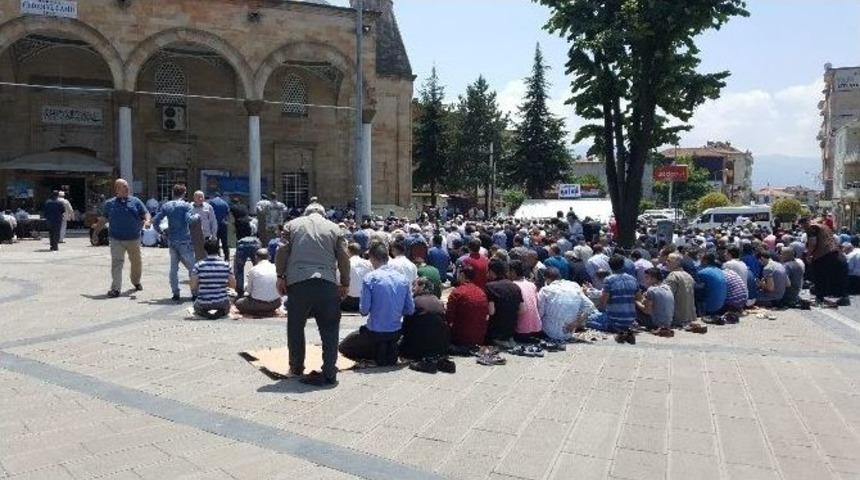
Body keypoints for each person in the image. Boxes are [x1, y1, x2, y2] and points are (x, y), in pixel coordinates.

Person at [275, 200, 350, 387]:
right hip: (327, 282)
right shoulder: (335, 229)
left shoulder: (291, 225)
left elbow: (282, 250)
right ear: (323, 214)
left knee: (295, 326)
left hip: (298, 283)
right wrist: (345, 283)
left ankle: (296, 367)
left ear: (306, 213)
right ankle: (329, 371)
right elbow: (344, 257)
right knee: (330, 328)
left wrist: (280, 275)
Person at [338, 242, 415, 365]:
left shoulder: (370, 278)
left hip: (375, 333)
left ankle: (377, 352)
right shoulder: (403, 279)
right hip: (395, 331)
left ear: (372, 258)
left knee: (343, 347)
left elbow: (364, 311)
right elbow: (410, 310)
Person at [103, 179, 150, 297]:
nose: (127, 188)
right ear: (117, 189)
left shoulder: (135, 201)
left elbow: (145, 213)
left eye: (127, 186)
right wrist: (94, 233)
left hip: (133, 238)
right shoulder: (109, 204)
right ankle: (115, 289)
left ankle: (136, 281)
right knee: (117, 263)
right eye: (124, 186)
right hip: (116, 239)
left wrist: (147, 220)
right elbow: (103, 219)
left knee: (136, 263)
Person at [153, 184, 199, 301]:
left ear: (173, 193)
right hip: (184, 239)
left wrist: (161, 232)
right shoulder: (186, 205)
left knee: (173, 268)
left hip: (172, 239)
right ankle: (195, 292)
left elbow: (156, 220)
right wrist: (197, 216)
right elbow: (189, 220)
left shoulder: (166, 205)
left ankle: (175, 293)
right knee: (192, 267)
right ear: (184, 193)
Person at [400, 277, 450, 361]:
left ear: (422, 286)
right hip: (439, 347)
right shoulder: (438, 301)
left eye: (414, 286)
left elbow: (406, 326)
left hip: (418, 348)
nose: (412, 289)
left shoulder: (415, 301)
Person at [538, 267, 594, 341]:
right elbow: (590, 305)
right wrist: (576, 323)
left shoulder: (545, 290)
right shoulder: (574, 285)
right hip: (569, 332)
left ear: (546, 279)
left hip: (549, 332)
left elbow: (540, 313)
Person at [190, 238, 235, 319]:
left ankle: (204, 313)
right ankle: (221, 312)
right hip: (221, 301)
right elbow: (233, 285)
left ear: (205, 250)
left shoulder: (198, 265)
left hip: (204, 302)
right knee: (229, 303)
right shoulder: (226, 265)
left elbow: (193, 286)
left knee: (196, 306)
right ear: (218, 249)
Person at [445, 265, 489, 347]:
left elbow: (448, 317)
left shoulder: (457, 292)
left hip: (461, 338)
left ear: (462, 275)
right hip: (479, 338)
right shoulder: (481, 292)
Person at [484, 260, 523, 348]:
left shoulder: (490, 286)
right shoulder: (515, 286)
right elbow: (522, 310)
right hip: (511, 331)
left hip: (496, 332)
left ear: (491, 271)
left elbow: (491, 312)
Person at [599, 255, 639, 340]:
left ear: (610, 266)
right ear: (623, 265)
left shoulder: (609, 280)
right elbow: (639, 298)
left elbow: (603, 302)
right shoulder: (633, 279)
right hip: (630, 321)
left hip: (614, 321)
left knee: (588, 318)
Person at [235, 248, 282, 317]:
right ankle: (267, 312)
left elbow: (248, 291)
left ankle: (259, 312)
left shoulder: (253, 270)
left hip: (257, 304)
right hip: (275, 303)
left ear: (256, 258)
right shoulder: (276, 267)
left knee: (238, 303)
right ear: (269, 257)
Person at [509, 260, 542, 342]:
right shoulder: (532, 285)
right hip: (536, 328)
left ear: (513, 272)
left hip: (521, 331)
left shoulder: (513, 286)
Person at [635, 268, 674, 336]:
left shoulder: (651, 290)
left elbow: (647, 311)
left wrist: (636, 301)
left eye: (647, 278)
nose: (645, 280)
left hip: (656, 323)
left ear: (654, 278)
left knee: (634, 305)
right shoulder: (667, 287)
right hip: (668, 322)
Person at [663, 253, 697, 327]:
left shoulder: (673, 275)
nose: (666, 262)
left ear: (677, 263)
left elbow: (666, 296)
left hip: (677, 318)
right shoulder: (688, 275)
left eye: (669, 261)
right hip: (689, 316)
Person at [342, 242, 373, 312]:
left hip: (348, 302)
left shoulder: (346, 263)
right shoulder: (369, 264)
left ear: (348, 251)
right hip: (365, 301)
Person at [191, 190, 218, 261]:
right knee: (194, 258)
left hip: (206, 236)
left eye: (202, 197)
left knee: (206, 257)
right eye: (198, 197)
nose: (200, 199)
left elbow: (213, 221)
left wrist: (214, 234)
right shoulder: (189, 207)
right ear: (194, 198)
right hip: (193, 237)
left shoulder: (208, 207)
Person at [208, 193, 231, 261]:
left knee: (215, 241)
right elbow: (227, 214)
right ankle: (227, 257)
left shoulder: (211, 202)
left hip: (215, 224)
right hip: (223, 224)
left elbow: (208, 213)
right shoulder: (225, 203)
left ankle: (217, 256)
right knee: (225, 242)